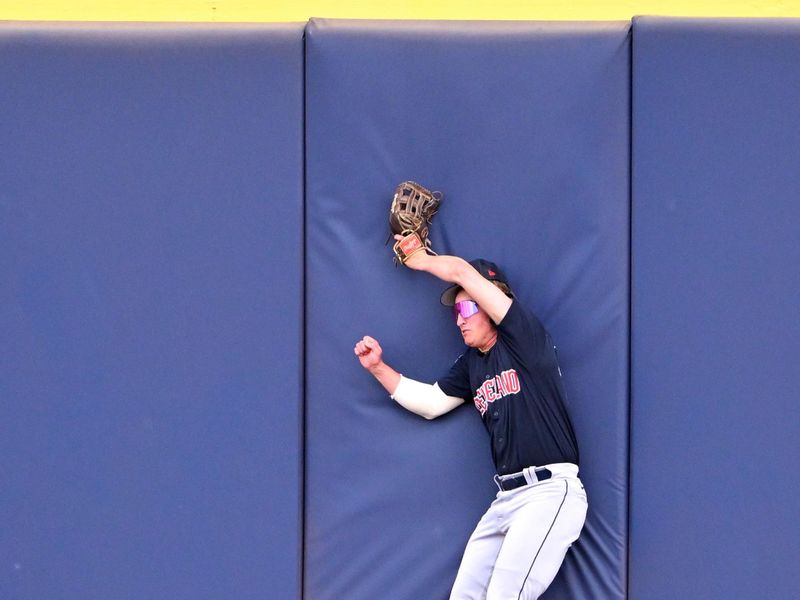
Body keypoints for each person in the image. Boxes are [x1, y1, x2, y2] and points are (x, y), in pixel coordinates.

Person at [353, 251, 587, 600]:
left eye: (466, 308)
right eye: (455, 312)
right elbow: (431, 404)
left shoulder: (524, 339)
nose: (459, 320)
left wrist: (422, 258)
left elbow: (462, 272)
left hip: (549, 493)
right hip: (506, 499)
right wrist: (377, 368)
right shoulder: (472, 365)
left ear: (491, 301)